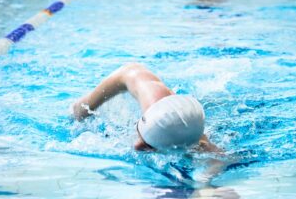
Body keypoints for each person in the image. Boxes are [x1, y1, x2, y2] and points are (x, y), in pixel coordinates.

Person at [72, 63, 220, 152]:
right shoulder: (153, 94)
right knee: (78, 111)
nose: (137, 146)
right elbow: (130, 71)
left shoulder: (201, 142)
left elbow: (222, 160)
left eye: (150, 146)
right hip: (128, 75)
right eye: (144, 138)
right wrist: (85, 106)